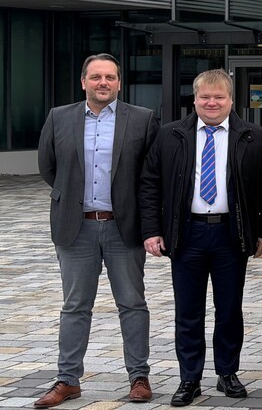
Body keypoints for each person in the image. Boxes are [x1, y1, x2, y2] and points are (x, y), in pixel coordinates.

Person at [139, 69, 262, 407]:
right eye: (205, 97)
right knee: (188, 311)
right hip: (187, 233)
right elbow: (149, 183)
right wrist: (151, 230)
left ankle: (227, 373)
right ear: (195, 99)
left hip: (231, 235)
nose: (212, 103)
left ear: (231, 100)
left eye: (219, 97)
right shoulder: (170, 135)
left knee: (229, 309)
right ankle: (189, 379)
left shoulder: (253, 136)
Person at [36, 54, 159, 408]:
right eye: (95, 77)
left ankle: (139, 376)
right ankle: (68, 380)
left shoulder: (142, 119)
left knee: (133, 304)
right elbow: (48, 166)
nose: (102, 82)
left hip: (124, 229)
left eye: (109, 77)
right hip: (76, 229)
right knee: (75, 306)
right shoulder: (60, 117)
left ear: (119, 82)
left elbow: (150, 176)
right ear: (83, 81)